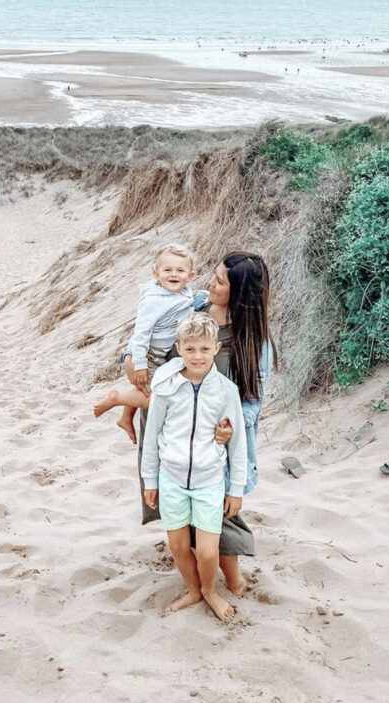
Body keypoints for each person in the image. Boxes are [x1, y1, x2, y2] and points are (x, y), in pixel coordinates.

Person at [126, 251, 275, 595]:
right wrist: (128, 360)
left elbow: (252, 404)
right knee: (177, 501)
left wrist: (229, 426)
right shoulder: (191, 305)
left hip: (214, 438)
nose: (210, 283)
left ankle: (232, 579)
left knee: (220, 511)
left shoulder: (252, 340)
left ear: (239, 293)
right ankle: (197, 580)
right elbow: (151, 336)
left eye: (220, 281)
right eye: (214, 275)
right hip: (172, 423)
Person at [141, 313, 247, 621]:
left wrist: (236, 488)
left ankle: (211, 591)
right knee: (177, 546)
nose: (197, 356)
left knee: (207, 552)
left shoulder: (227, 391)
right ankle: (193, 590)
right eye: (190, 349)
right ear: (179, 349)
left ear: (216, 348)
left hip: (209, 481)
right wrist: (151, 480)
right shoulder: (166, 385)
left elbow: (237, 442)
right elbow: (152, 436)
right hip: (171, 478)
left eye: (203, 349)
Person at [93, 243, 195, 432]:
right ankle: (117, 398)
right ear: (156, 274)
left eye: (180, 270)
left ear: (190, 277)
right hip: (151, 355)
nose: (174, 274)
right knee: (157, 394)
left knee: (145, 388)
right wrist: (139, 365)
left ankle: (126, 417)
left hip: (164, 352)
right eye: (167, 270)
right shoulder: (154, 301)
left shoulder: (184, 293)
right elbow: (141, 334)